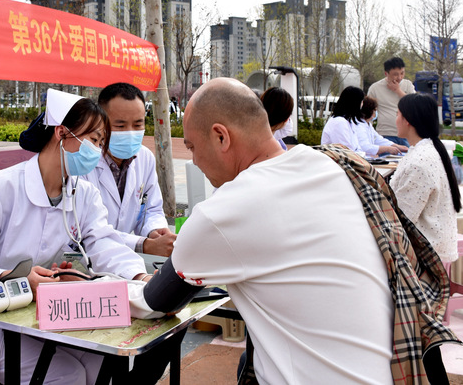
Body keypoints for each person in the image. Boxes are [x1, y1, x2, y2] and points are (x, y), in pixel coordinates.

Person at [142, 77, 457, 383]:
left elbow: (158, 300)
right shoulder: (334, 166)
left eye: (193, 147)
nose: (194, 160)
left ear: (221, 137)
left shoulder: (223, 211)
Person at [0, 89, 149, 385]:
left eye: (101, 142)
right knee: (69, 376)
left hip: (41, 318)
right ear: (62, 133)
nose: (98, 149)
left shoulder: (83, 194)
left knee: (99, 362)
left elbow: (103, 243)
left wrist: (140, 277)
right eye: (93, 139)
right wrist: (15, 280)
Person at [84, 82, 175, 256]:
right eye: (120, 126)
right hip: (87, 258)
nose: (130, 132)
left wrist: (155, 231)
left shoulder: (145, 158)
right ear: (100, 123)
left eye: (138, 124)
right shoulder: (84, 162)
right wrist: (144, 244)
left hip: (124, 259)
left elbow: (151, 209)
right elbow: (89, 229)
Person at [391, 93, 462, 264]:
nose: (396, 119)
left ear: (407, 120)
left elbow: (401, 218)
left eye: (397, 114)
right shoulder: (427, 150)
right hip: (431, 249)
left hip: (424, 256)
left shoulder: (419, 162)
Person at [367, 57, 416, 146]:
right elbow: (368, 112)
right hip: (385, 134)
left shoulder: (408, 85)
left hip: (406, 134)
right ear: (386, 73)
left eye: (402, 73)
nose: (399, 77)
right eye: (395, 74)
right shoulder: (375, 88)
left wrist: (398, 91)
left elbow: (415, 105)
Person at [320, 86, 365, 153]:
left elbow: (356, 148)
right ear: (354, 103)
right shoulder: (339, 122)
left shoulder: (348, 121)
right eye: (361, 101)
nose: (362, 104)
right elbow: (345, 150)